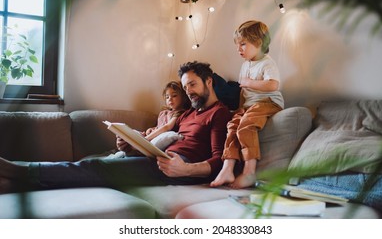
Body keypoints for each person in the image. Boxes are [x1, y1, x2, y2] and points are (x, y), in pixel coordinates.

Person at [0, 61, 232, 192]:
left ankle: (17, 170)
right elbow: (166, 136)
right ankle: (13, 180)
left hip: (180, 170)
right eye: (185, 86)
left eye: (192, 84)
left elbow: (218, 159)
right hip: (161, 160)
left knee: (96, 167)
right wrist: (131, 145)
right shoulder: (188, 113)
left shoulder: (219, 113)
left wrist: (187, 170)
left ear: (208, 81)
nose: (188, 91)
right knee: (100, 161)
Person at [210, 20, 284, 189]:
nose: (239, 49)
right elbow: (244, 92)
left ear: (259, 42)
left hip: (268, 102)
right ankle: (227, 168)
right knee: (233, 125)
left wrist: (249, 82)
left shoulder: (267, 63)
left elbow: (273, 85)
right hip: (250, 104)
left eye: (243, 44)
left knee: (246, 125)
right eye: (238, 45)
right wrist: (239, 108)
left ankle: (249, 171)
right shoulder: (245, 65)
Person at [112, 81, 191, 158]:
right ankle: (121, 151)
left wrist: (146, 139)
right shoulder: (163, 113)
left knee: (140, 142)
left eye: (174, 96)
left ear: (183, 97)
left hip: (156, 138)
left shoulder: (179, 113)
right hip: (151, 136)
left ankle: (133, 148)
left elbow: (167, 127)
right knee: (132, 133)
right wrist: (151, 129)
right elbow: (159, 126)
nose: (170, 99)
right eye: (167, 97)